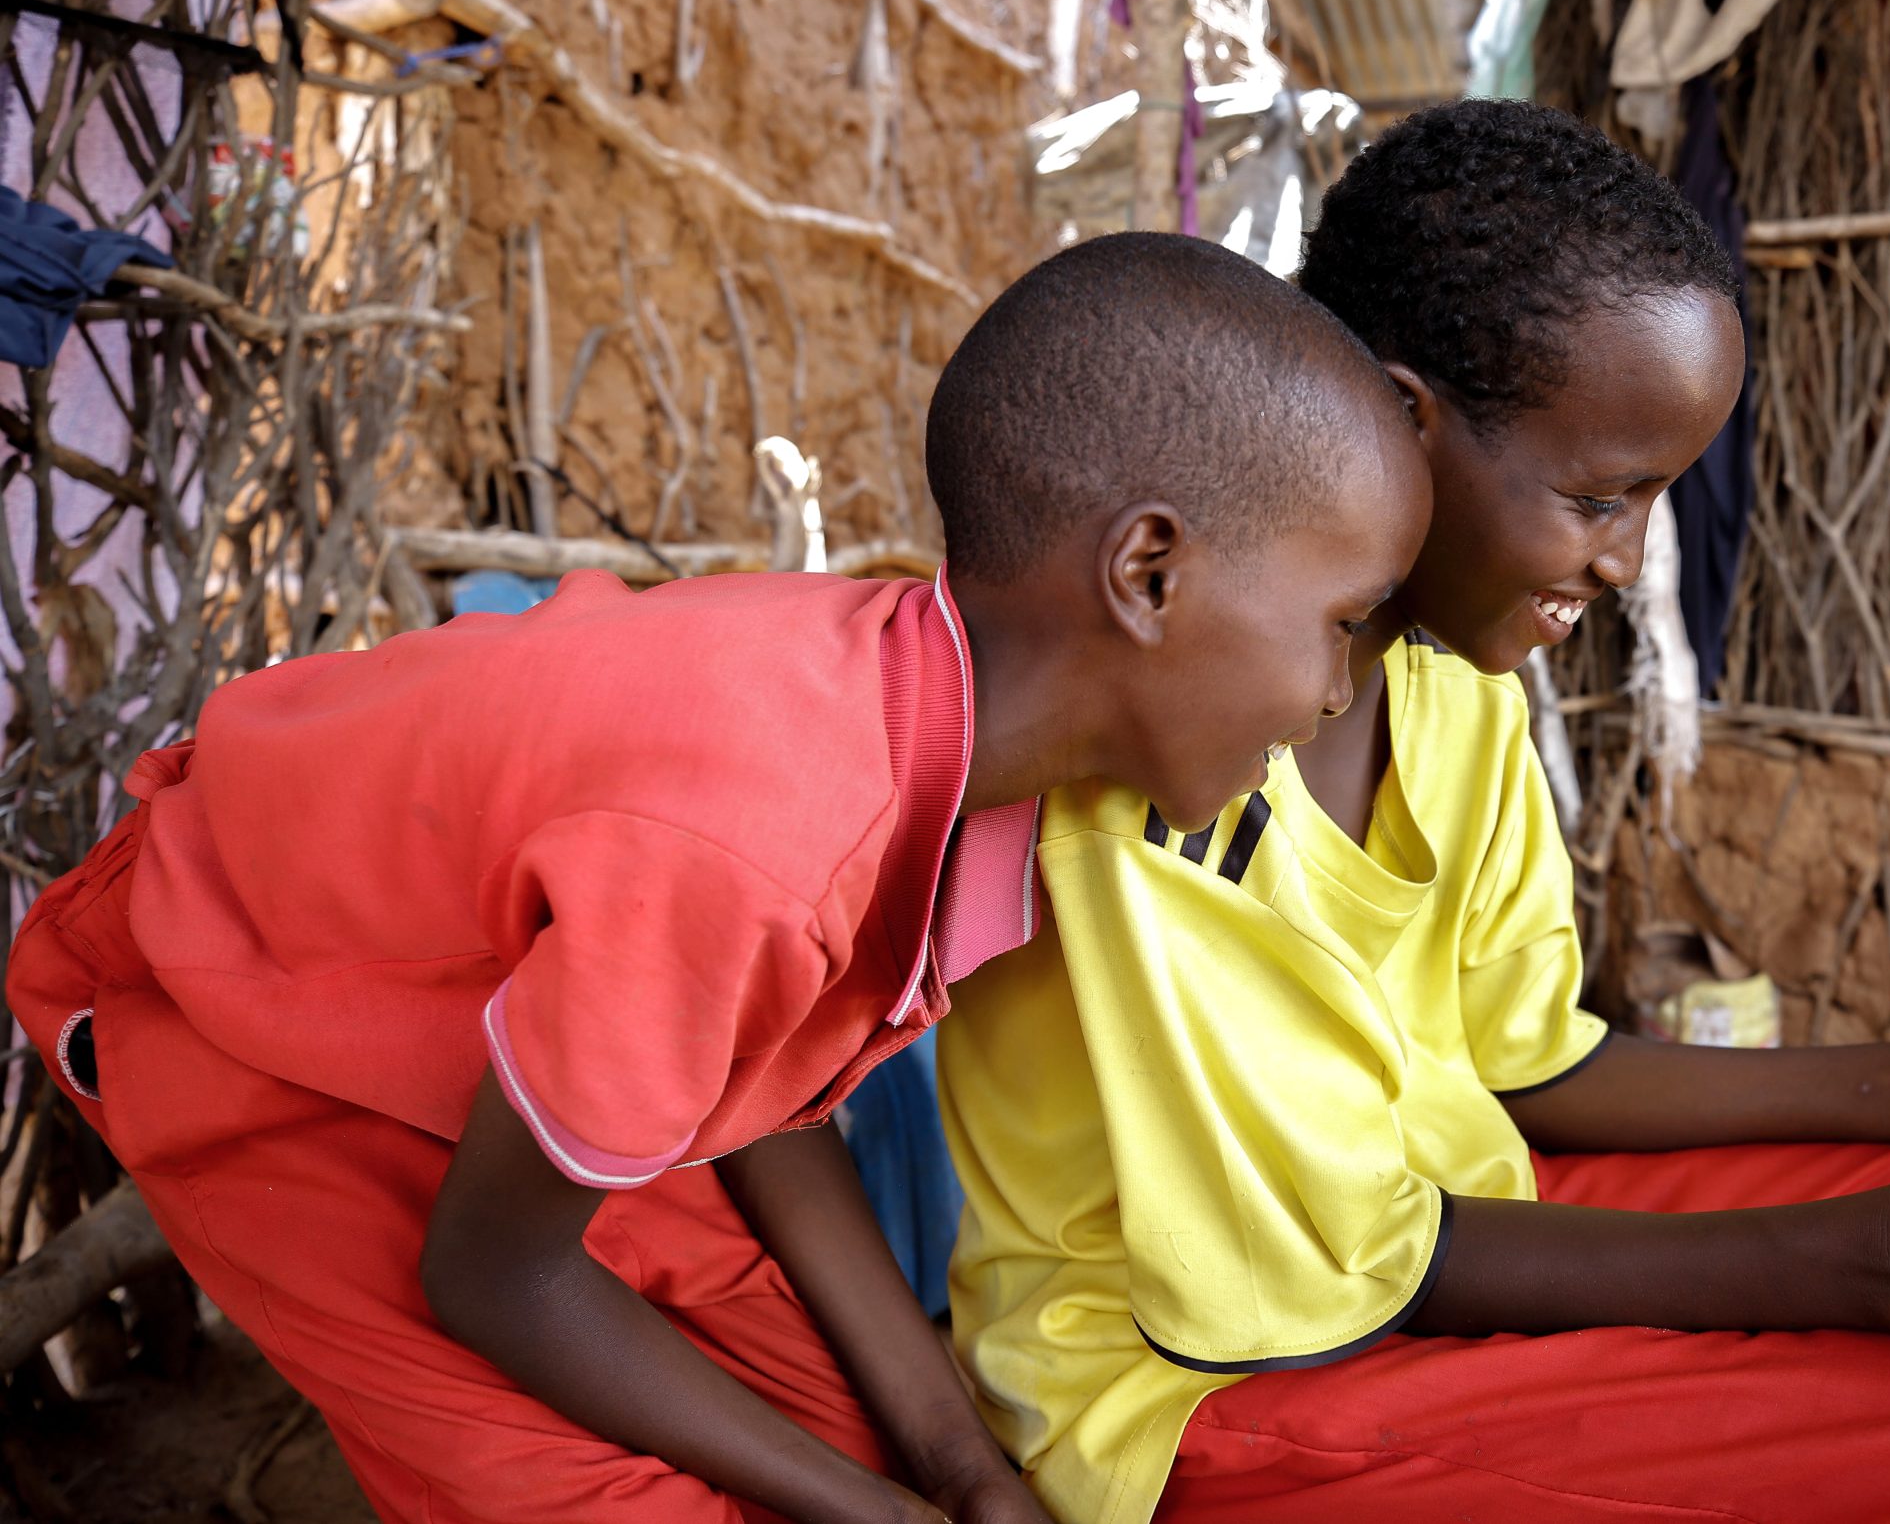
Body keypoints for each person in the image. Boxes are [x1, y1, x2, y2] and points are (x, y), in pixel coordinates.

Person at [936, 102, 1890, 1524]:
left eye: (1659, 498)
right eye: (1603, 496)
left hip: (1441, 1235)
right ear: (1407, 427)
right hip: (1209, 1382)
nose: (1629, 560)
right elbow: (1352, 1264)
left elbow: (1528, 1066)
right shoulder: (1170, 772)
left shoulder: (1453, 694)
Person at [6, 233, 1429, 1524]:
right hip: (236, 1012)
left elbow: (744, 1087)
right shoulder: (767, 833)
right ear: (1151, 574)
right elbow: (499, 1276)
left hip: (519, 1071)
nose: (1338, 691)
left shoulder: (933, 728)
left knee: (839, 1435)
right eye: (1344, 622)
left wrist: (952, 1465)